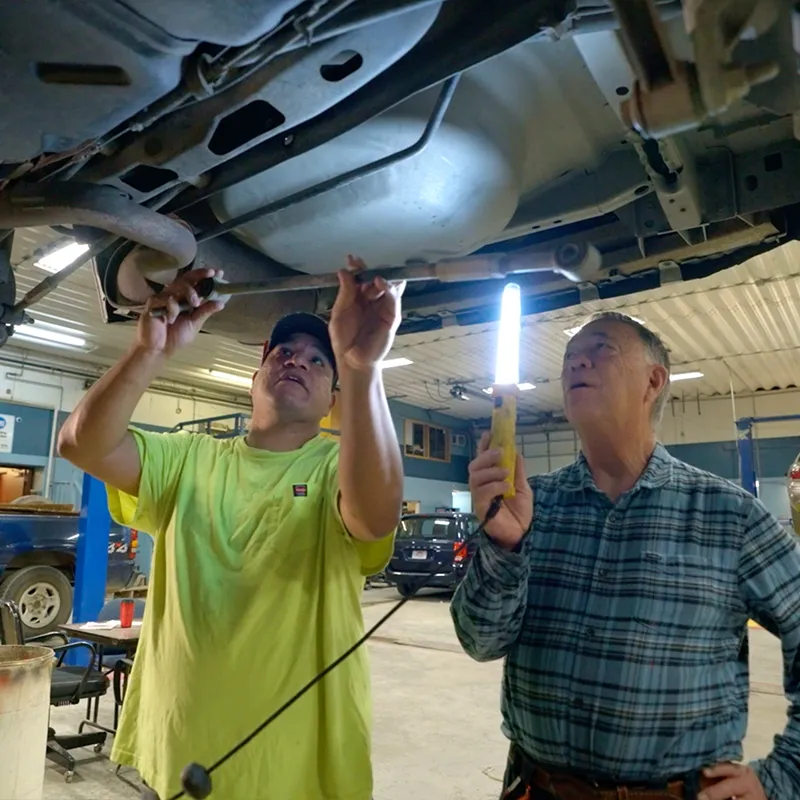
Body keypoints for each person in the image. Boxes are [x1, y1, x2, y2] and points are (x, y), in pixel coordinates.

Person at [58, 257, 405, 800]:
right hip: (179, 755)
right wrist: (150, 350)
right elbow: (83, 445)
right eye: (284, 352)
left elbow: (375, 517)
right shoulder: (188, 459)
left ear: (333, 400)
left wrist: (363, 369)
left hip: (296, 771)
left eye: (319, 360)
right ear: (256, 376)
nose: (297, 361)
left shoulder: (337, 467)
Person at [451, 311, 800, 800]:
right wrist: (505, 544)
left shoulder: (729, 515)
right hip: (538, 789)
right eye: (570, 357)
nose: (577, 363)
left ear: (653, 381)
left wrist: (783, 777)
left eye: (600, 350)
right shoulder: (532, 504)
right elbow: (479, 641)